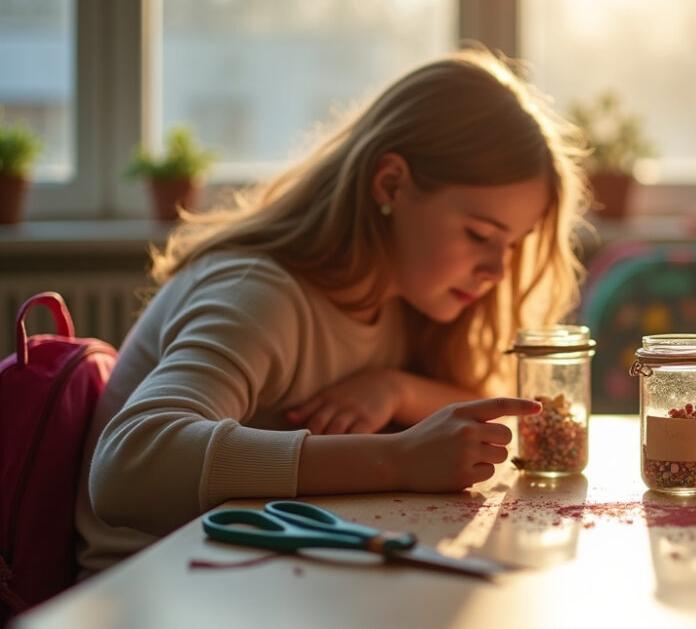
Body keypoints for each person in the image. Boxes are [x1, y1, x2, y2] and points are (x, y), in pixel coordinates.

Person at [77, 47, 590, 574]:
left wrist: (399, 389)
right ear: (390, 185)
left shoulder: (401, 302)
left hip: (258, 580)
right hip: (153, 590)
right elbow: (127, 465)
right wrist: (397, 459)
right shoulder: (260, 293)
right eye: (480, 235)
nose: (497, 271)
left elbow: (482, 421)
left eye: (512, 245)